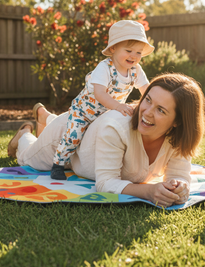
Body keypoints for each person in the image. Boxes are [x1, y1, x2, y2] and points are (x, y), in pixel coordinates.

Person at [6, 73, 205, 208]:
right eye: (147, 100)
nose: (147, 112)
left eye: (161, 110)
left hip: (92, 136)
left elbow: (180, 175)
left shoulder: (179, 140)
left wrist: (179, 187)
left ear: (178, 122)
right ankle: (25, 134)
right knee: (26, 158)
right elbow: (105, 183)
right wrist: (150, 191)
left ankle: (45, 117)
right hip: (67, 137)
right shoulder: (117, 126)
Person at [47, 20, 154, 180]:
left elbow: (146, 89)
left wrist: (152, 102)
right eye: (129, 50)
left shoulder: (135, 70)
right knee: (73, 136)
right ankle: (58, 163)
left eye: (138, 52)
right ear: (113, 48)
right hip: (84, 113)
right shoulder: (105, 68)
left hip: (106, 113)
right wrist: (118, 106)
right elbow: (100, 94)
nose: (134, 56)